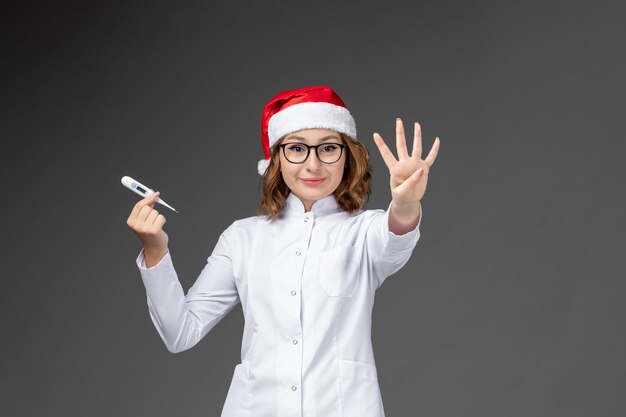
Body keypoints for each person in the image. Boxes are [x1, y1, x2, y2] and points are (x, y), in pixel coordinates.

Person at [126, 85, 440, 417]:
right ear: (276, 158)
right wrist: (155, 249)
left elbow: (396, 236)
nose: (313, 164)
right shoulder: (242, 237)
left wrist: (406, 203)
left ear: (347, 156)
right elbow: (180, 332)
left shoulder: (364, 231)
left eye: (329, 148)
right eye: (297, 149)